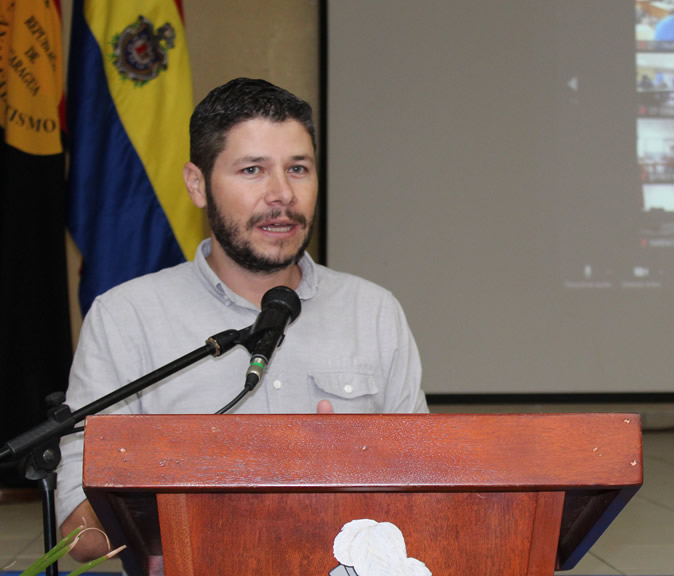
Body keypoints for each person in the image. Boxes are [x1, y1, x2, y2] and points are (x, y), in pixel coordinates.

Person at [56, 78, 429, 560]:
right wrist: (174, 486)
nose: (282, 194)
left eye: (298, 168)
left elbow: (428, 492)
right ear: (197, 184)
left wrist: (351, 473)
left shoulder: (374, 312)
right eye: (252, 170)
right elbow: (80, 536)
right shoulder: (126, 318)